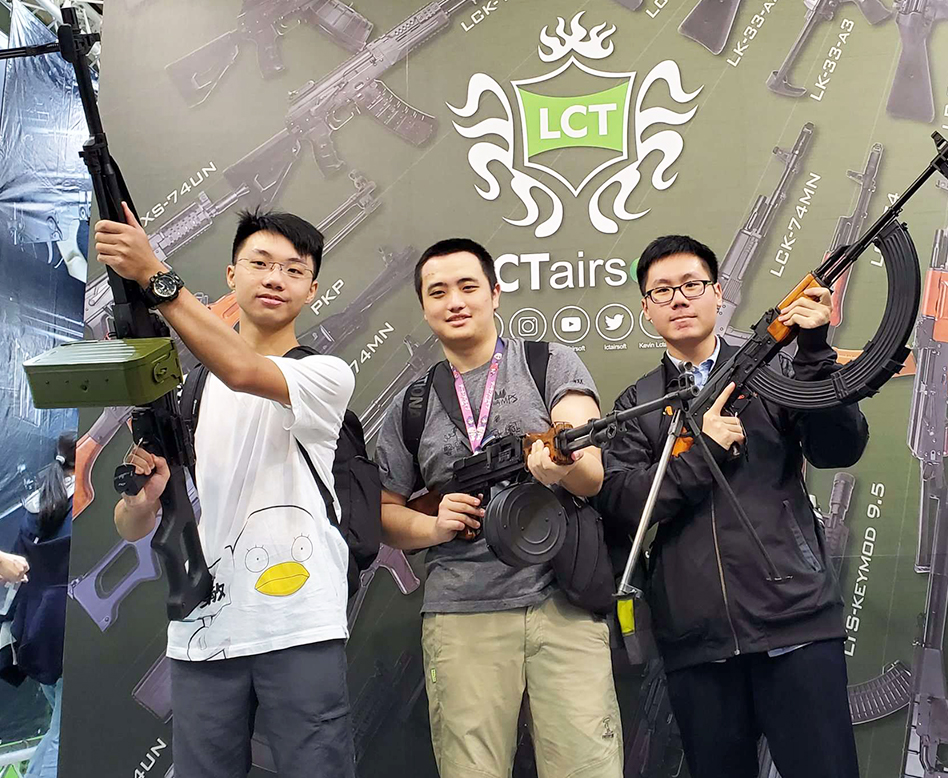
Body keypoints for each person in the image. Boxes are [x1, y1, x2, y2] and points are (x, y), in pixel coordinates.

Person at [95, 205, 355, 777]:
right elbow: (132, 525)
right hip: (202, 628)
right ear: (232, 275)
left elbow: (242, 369)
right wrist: (139, 501)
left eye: (293, 269)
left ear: (312, 289)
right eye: (259, 263)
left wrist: (154, 275)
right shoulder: (188, 393)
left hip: (299, 623)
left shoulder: (324, 375)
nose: (275, 278)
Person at [595, 235, 868, 778]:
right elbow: (625, 505)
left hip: (796, 624)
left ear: (718, 293)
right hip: (698, 645)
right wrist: (702, 454)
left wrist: (815, 353)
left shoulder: (774, 372)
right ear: (646, 309)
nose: (678, 298)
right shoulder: (637, 405)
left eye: (691, 285)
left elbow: (839, 449)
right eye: (662, 291)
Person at [376, 239, 623, 778]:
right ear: (424, 308)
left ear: (494, 294)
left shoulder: (548, 362)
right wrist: (435, 526)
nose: (455, 301)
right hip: (462, 613)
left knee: (588, 767)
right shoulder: (412, 403)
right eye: (438, 292)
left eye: (468, 287)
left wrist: (560, 465)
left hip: (562, 601)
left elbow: (591, 470)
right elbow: (385, 513)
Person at [1, 432, 75, 778]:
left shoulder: (38, 504)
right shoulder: (85, 509)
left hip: (36, 633)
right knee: (65, 737)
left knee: (58, 730)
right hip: (70, 633)